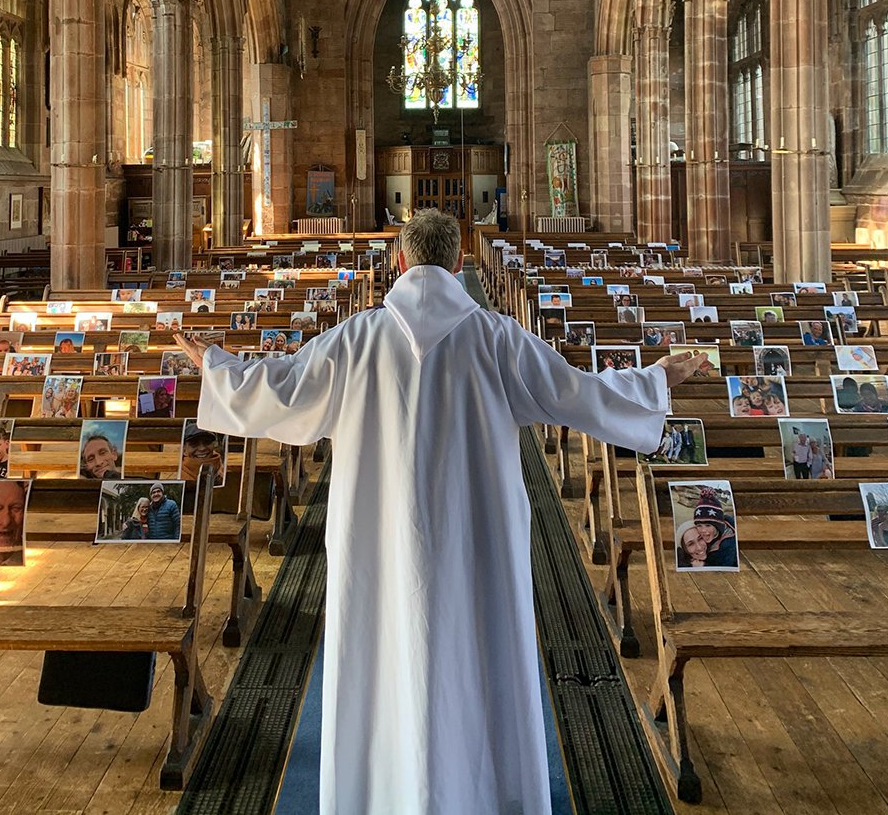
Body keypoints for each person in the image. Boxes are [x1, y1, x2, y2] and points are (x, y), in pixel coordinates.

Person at [179, 209, 702, 815]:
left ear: (398, 262)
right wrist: (657, 378)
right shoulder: (497, 337)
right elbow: (579, 394)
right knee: (477, 652)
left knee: (382, 653)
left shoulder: (356, 339)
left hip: (379, 542)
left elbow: (280, 388)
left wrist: (214, 368)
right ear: (459, 264)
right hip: (475, 541)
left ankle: (381, 793)